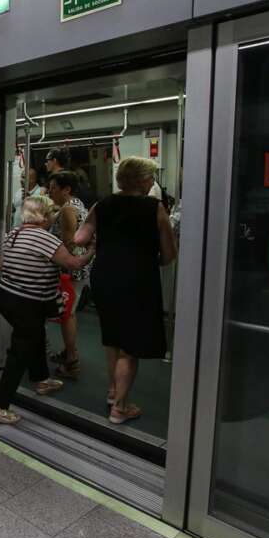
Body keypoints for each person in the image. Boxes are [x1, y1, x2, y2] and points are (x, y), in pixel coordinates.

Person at [74, 157, 177, 425]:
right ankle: (120, 407)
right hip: (138, 279)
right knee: (129, 348)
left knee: (113, 338)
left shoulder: (103, 204)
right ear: (142, 180)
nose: (153, 182)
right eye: (151, 178)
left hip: (106, 277)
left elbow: (79, 238)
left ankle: (112, 391)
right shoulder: (154, 208)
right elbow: (168, 254)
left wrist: (104, 247)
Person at [0, 197, 92, 425]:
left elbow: (2, 265)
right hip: (28, 303)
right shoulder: (47, 239)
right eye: (52, 214)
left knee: (35, 335)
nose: (54, 218)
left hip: (6, 297)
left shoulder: (13, 234)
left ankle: (41, 379)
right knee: (19, 351)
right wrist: (92, 250)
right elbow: (73, 264)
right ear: (44, 216)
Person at [46, 171, 90, 379]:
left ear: (67, 189)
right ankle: (69, 351)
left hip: (69, 269)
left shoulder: (68, 210)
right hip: (77, 268)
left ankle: (72, 358)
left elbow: (68, 244)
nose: (50, 191)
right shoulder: (76, 204)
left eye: (54, 187)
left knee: (67, 313)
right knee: (68, 311)